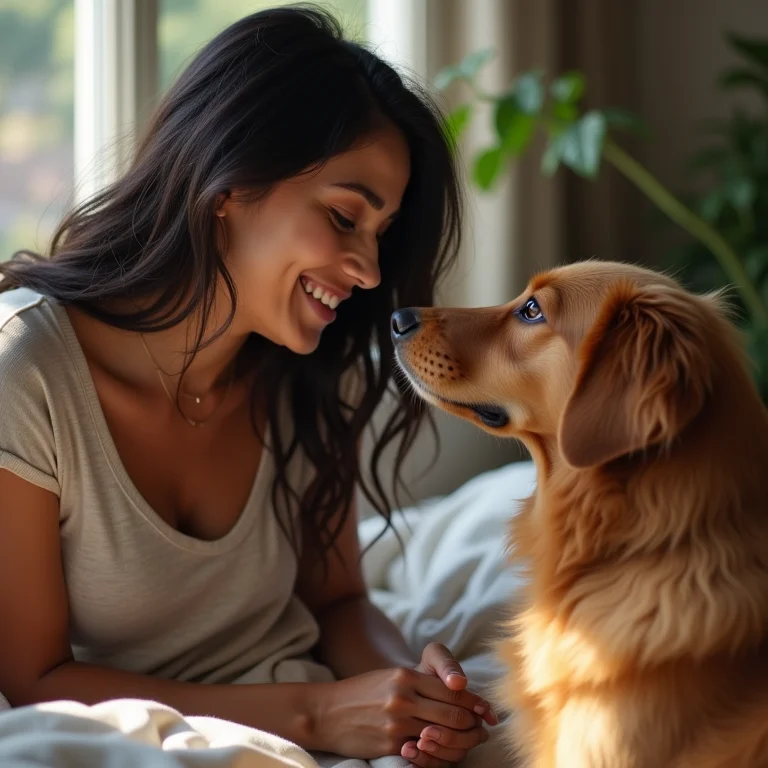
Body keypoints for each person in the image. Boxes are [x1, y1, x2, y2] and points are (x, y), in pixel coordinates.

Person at [0, 6, 504, 768]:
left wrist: (410, 686)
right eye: (344, 216)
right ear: (230, 183)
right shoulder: (28, 371)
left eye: (380, 234)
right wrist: (320, 713)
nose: (369, 270)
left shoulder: (306, 371)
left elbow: (338, 600)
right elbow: (35, 680)